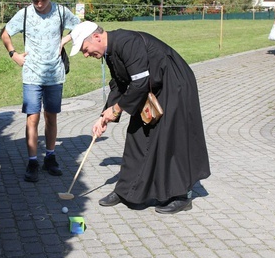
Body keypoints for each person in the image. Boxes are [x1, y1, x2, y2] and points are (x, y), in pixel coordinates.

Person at [69, 21, 211, 214]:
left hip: (175, 84)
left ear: (96, 37)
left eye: (85, 49)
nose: (86, 55)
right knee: (137, 135)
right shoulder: (110, 52)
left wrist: (117, 109)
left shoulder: (127, 42)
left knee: (171, 138)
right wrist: (104, 116)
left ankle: (182, 196)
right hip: (153, 87)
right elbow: (119, 85)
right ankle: (126, 191)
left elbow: (140, 82)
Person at [0, 0, 80, 182]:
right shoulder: (25, 13)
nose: (39, 4)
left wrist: (66, 39)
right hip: (32, 75)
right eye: (35, 0)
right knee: (32, 118)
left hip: (54, 75)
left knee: (51, 117)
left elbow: (81, 27)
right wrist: (13, 54)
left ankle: (50, 157)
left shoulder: (61, 12)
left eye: (42, 0)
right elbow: (5, 33)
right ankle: (33, 161)